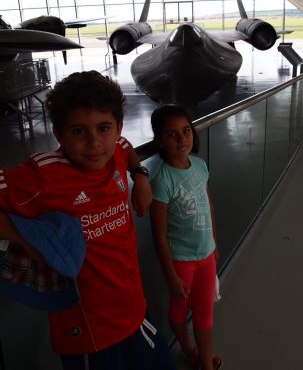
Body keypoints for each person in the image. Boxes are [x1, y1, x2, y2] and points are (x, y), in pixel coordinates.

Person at [0, 70, 176, 370]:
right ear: (59, 134)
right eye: (79, 131)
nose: (95, 142)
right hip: (89, 332)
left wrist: (140, 176)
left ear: (118, 128)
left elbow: (125, 149)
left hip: (133, 312)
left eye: (104, 128)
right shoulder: (44, 175)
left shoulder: (116, 151)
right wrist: (28, 242)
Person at [149, 104, 222, 370]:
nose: (182, 139)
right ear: (159, 141)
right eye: (172, 134)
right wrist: (170, 274)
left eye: (186, 131)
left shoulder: (200, 166)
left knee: (204, 312)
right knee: (179, 311)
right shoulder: (162, 180)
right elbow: (159, 235)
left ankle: (204, 361)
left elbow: (208, 205)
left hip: (206, 255)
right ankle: (189, 348)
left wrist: (213, 244)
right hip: (181, 261)